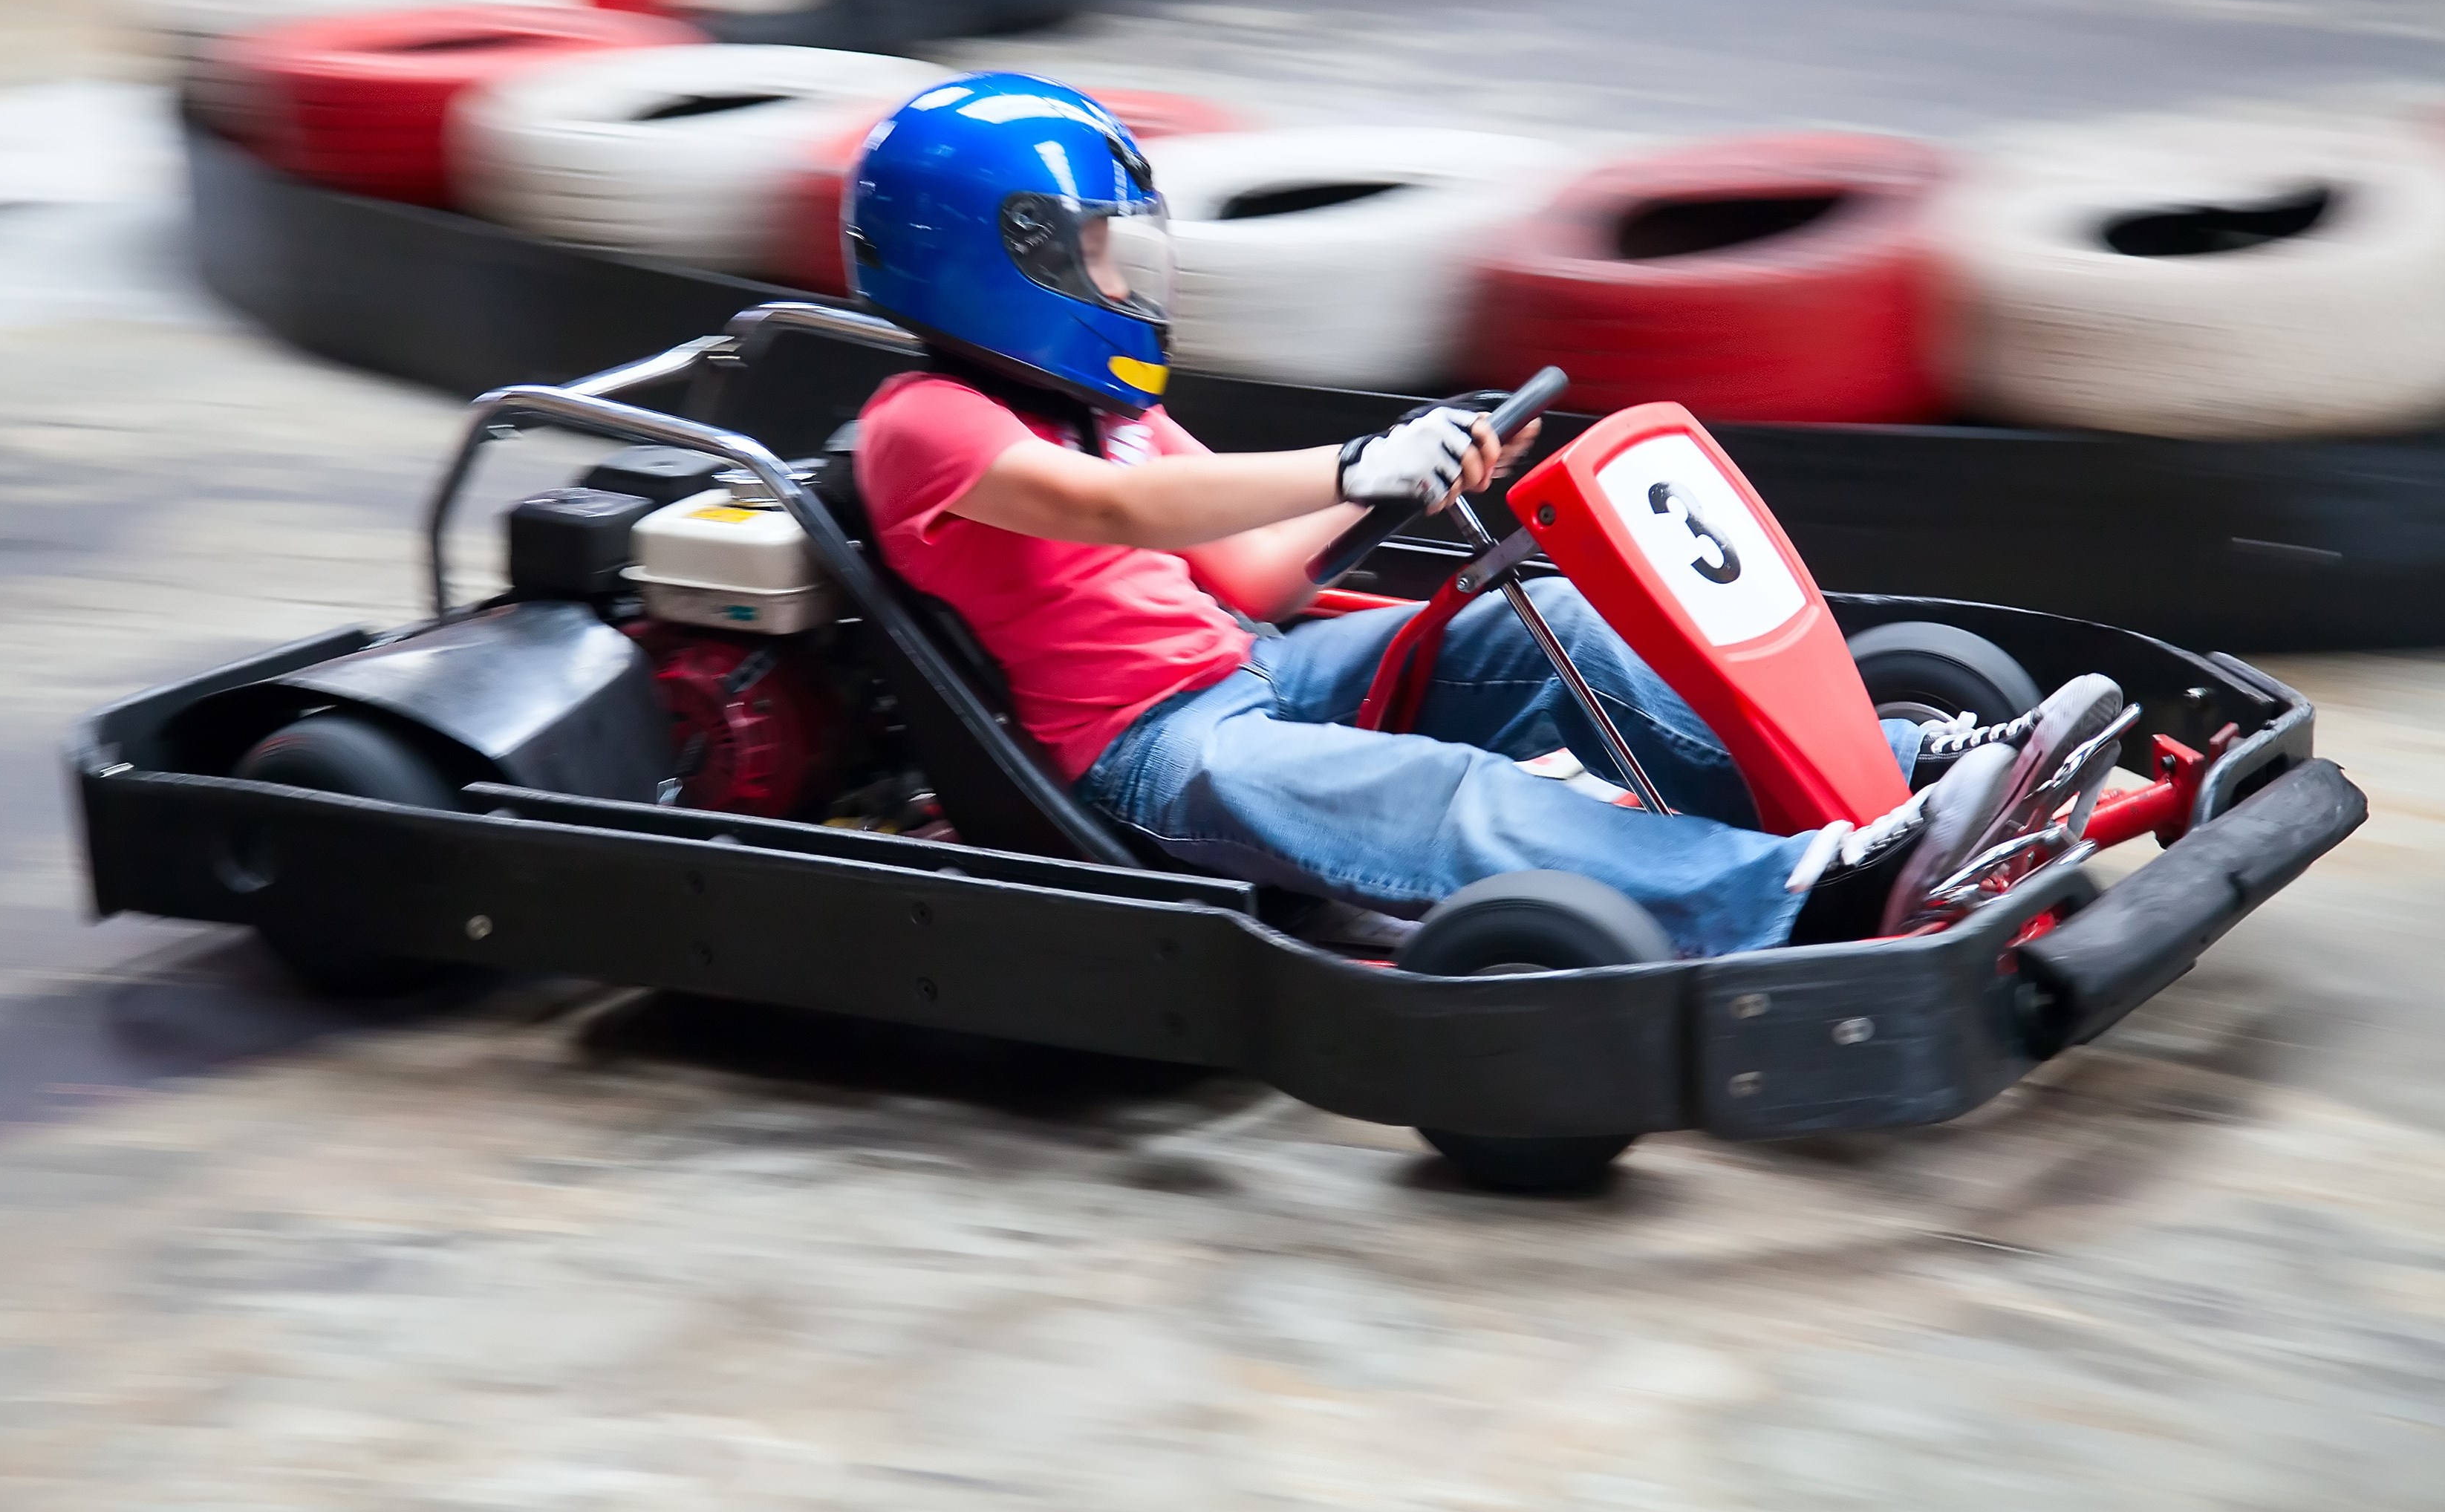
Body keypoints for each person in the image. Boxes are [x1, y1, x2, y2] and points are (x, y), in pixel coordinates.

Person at [844, 74, 2120, 954]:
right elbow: (1115, 510)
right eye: (1096, 249)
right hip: (1152, 756)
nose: (1124, 276)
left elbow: (1244, 581)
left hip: (1257, 668)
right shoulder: (929, 423)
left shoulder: (1101, 406)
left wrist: (1401, 483)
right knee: (1443, 795)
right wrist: (1352, 462)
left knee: (1541, 618)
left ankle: (1904, 778)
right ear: (996, 256)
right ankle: (1797, 896)